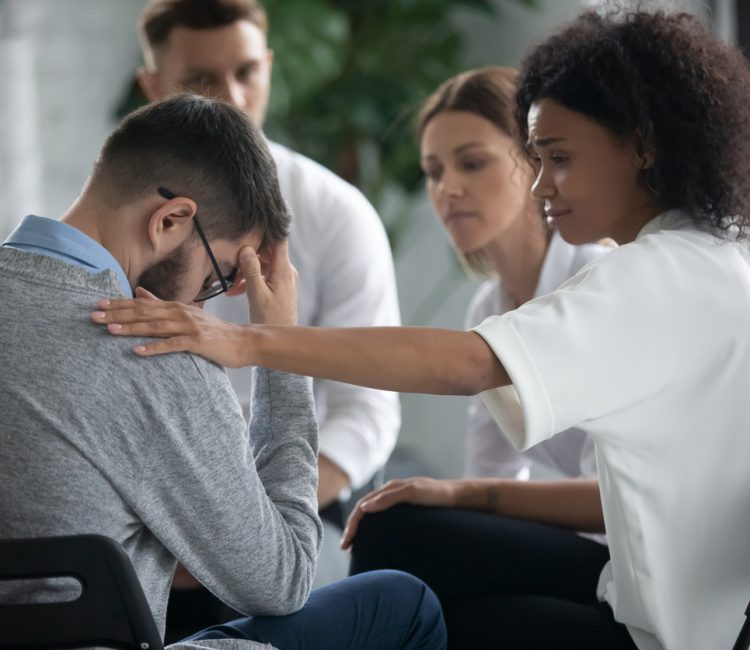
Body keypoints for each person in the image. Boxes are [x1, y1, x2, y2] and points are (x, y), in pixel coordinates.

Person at [94, 7, 750, 650]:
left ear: (642, 147)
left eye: (557, 157)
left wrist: (247, 340)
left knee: (403, 594)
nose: (540, 186)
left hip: (667, 630)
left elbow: (469, 364)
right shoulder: (692, 258)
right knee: (403, 547)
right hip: (633, 590)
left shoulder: (658, 274)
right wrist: (462, 492)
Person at [0, 94, 446, 650]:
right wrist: (277, 349)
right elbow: (282, 580)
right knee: (402, 602)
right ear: (169, 219)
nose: (205, 306)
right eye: (220, 275)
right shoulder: (157, 354)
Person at [338, 66, 611, 648]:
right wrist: (463, 499)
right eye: (433, 172)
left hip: (635, 564)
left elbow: (618, 502)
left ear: (531, 160)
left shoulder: (597, 278)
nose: (447, 189)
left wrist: (454, 496)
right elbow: (492, 476)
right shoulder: (489, 308)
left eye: (472, 162)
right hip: (579, 558)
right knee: (437, 614)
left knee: (395, 533)